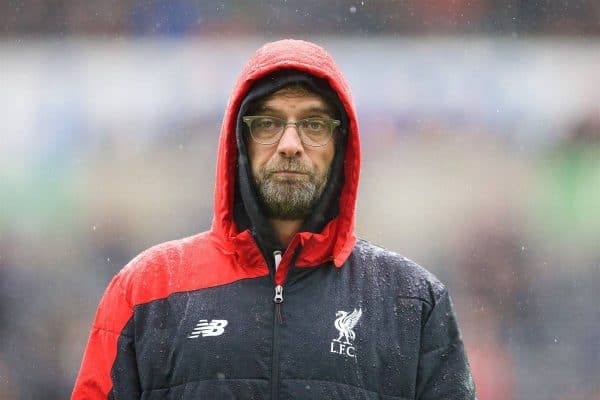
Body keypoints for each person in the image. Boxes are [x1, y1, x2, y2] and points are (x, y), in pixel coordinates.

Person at [72, 39, 476, 399]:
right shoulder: (147, 289)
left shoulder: (412, 300)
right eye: (267, 123)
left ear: (342, 144)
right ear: (239, 141)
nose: (289, 145)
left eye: (314, 124)